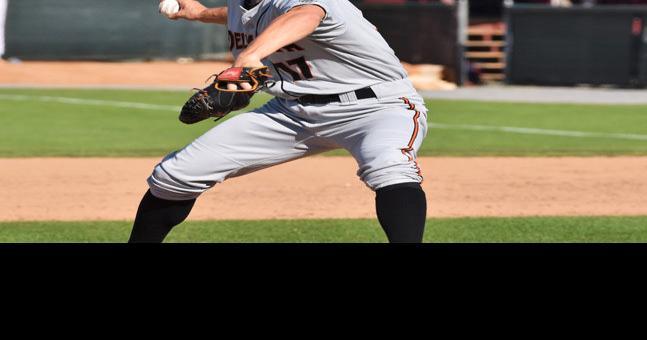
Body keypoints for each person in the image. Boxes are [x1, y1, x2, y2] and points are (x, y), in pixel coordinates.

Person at [128, 0, 429, 243]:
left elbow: (305, 14)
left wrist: (249, 56)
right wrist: (201, 13)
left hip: (375, 108)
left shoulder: (309, 3)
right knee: (176, 175)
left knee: (389, 168)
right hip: (290, 112)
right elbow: (243, 16)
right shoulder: (243, 4)